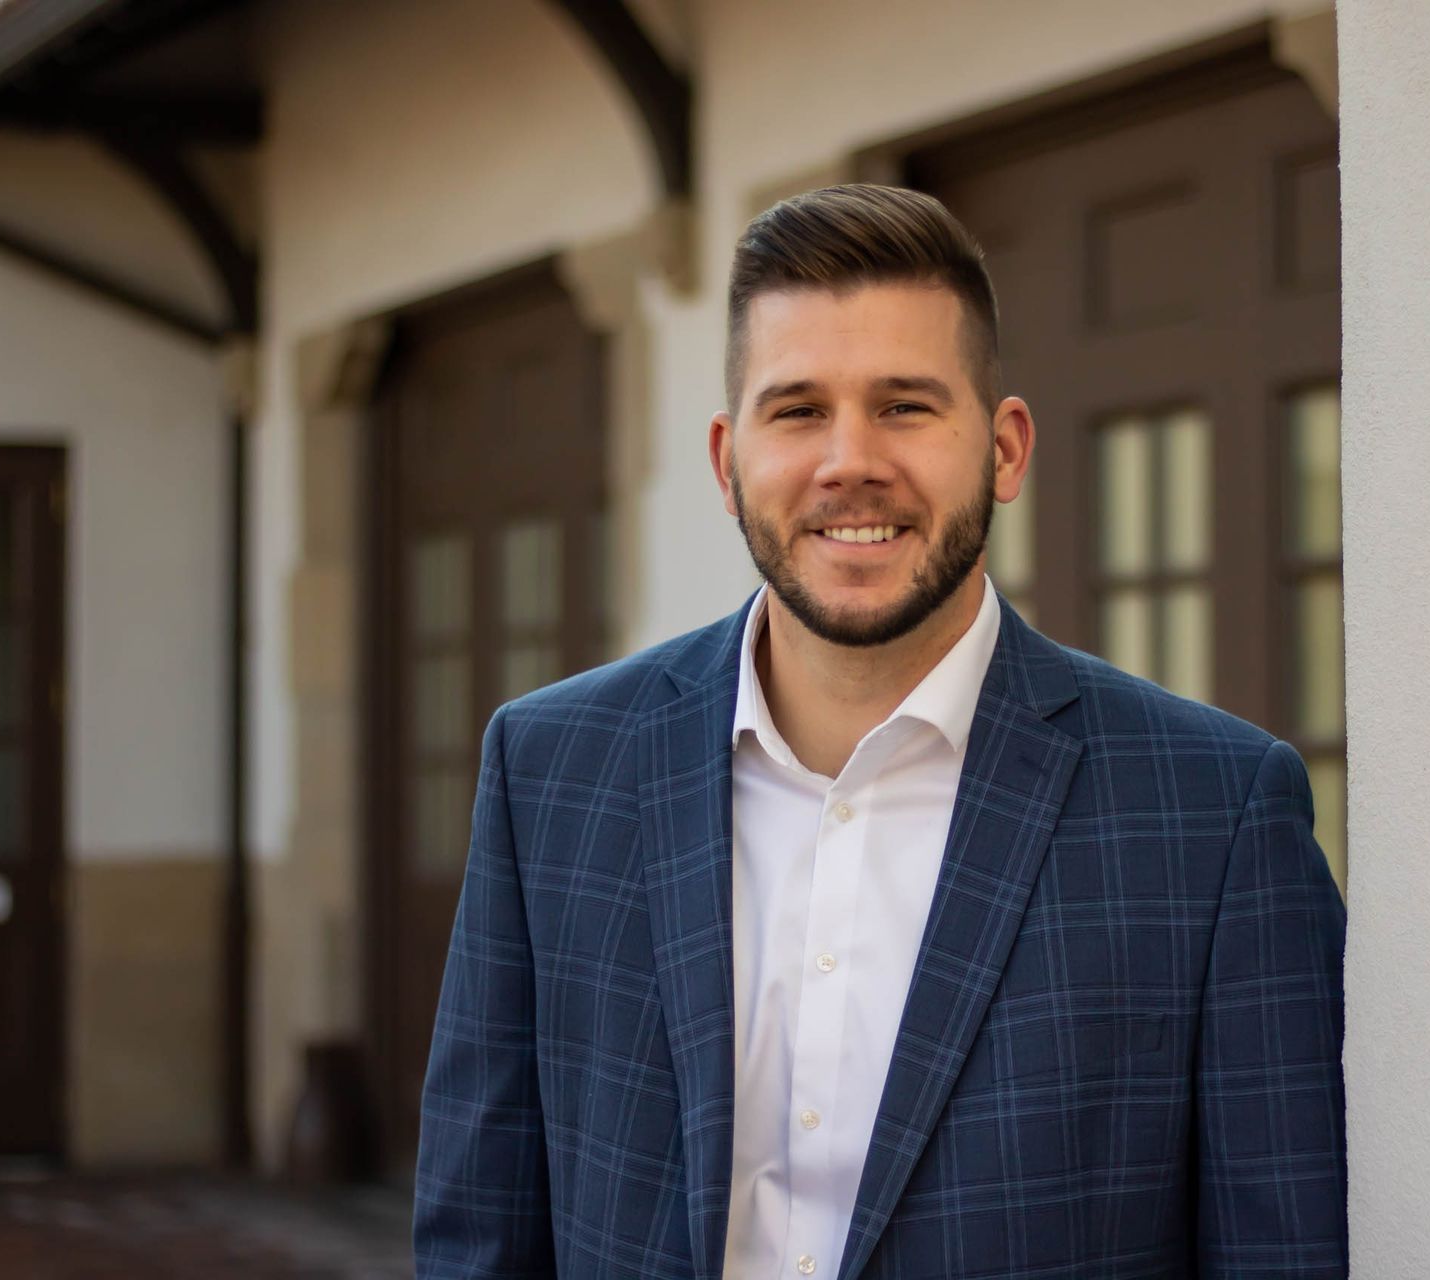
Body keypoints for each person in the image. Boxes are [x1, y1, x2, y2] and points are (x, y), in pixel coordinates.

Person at [414, 184, 1347, 1279]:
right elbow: (478, 1231)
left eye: (905, 405)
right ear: (726, 462)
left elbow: (1287, 1252)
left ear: (1004, 448)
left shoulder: (1215, 813)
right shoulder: (551, 771)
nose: (848, 460)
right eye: (797, 409)